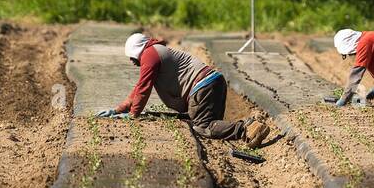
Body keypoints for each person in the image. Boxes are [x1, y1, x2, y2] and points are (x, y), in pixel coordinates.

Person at [98, 32, 270, 147]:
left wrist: (133, 115)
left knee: (203, 127)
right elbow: (138, 89)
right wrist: (117, 110)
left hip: (202, 87)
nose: (130, 61)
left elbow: (143, 89)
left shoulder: (149, 56)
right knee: (206, 124)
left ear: (136, 52)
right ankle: (249, 132)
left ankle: (246, 129)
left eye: (131, 57)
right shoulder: (155, 52)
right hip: (213, 83)